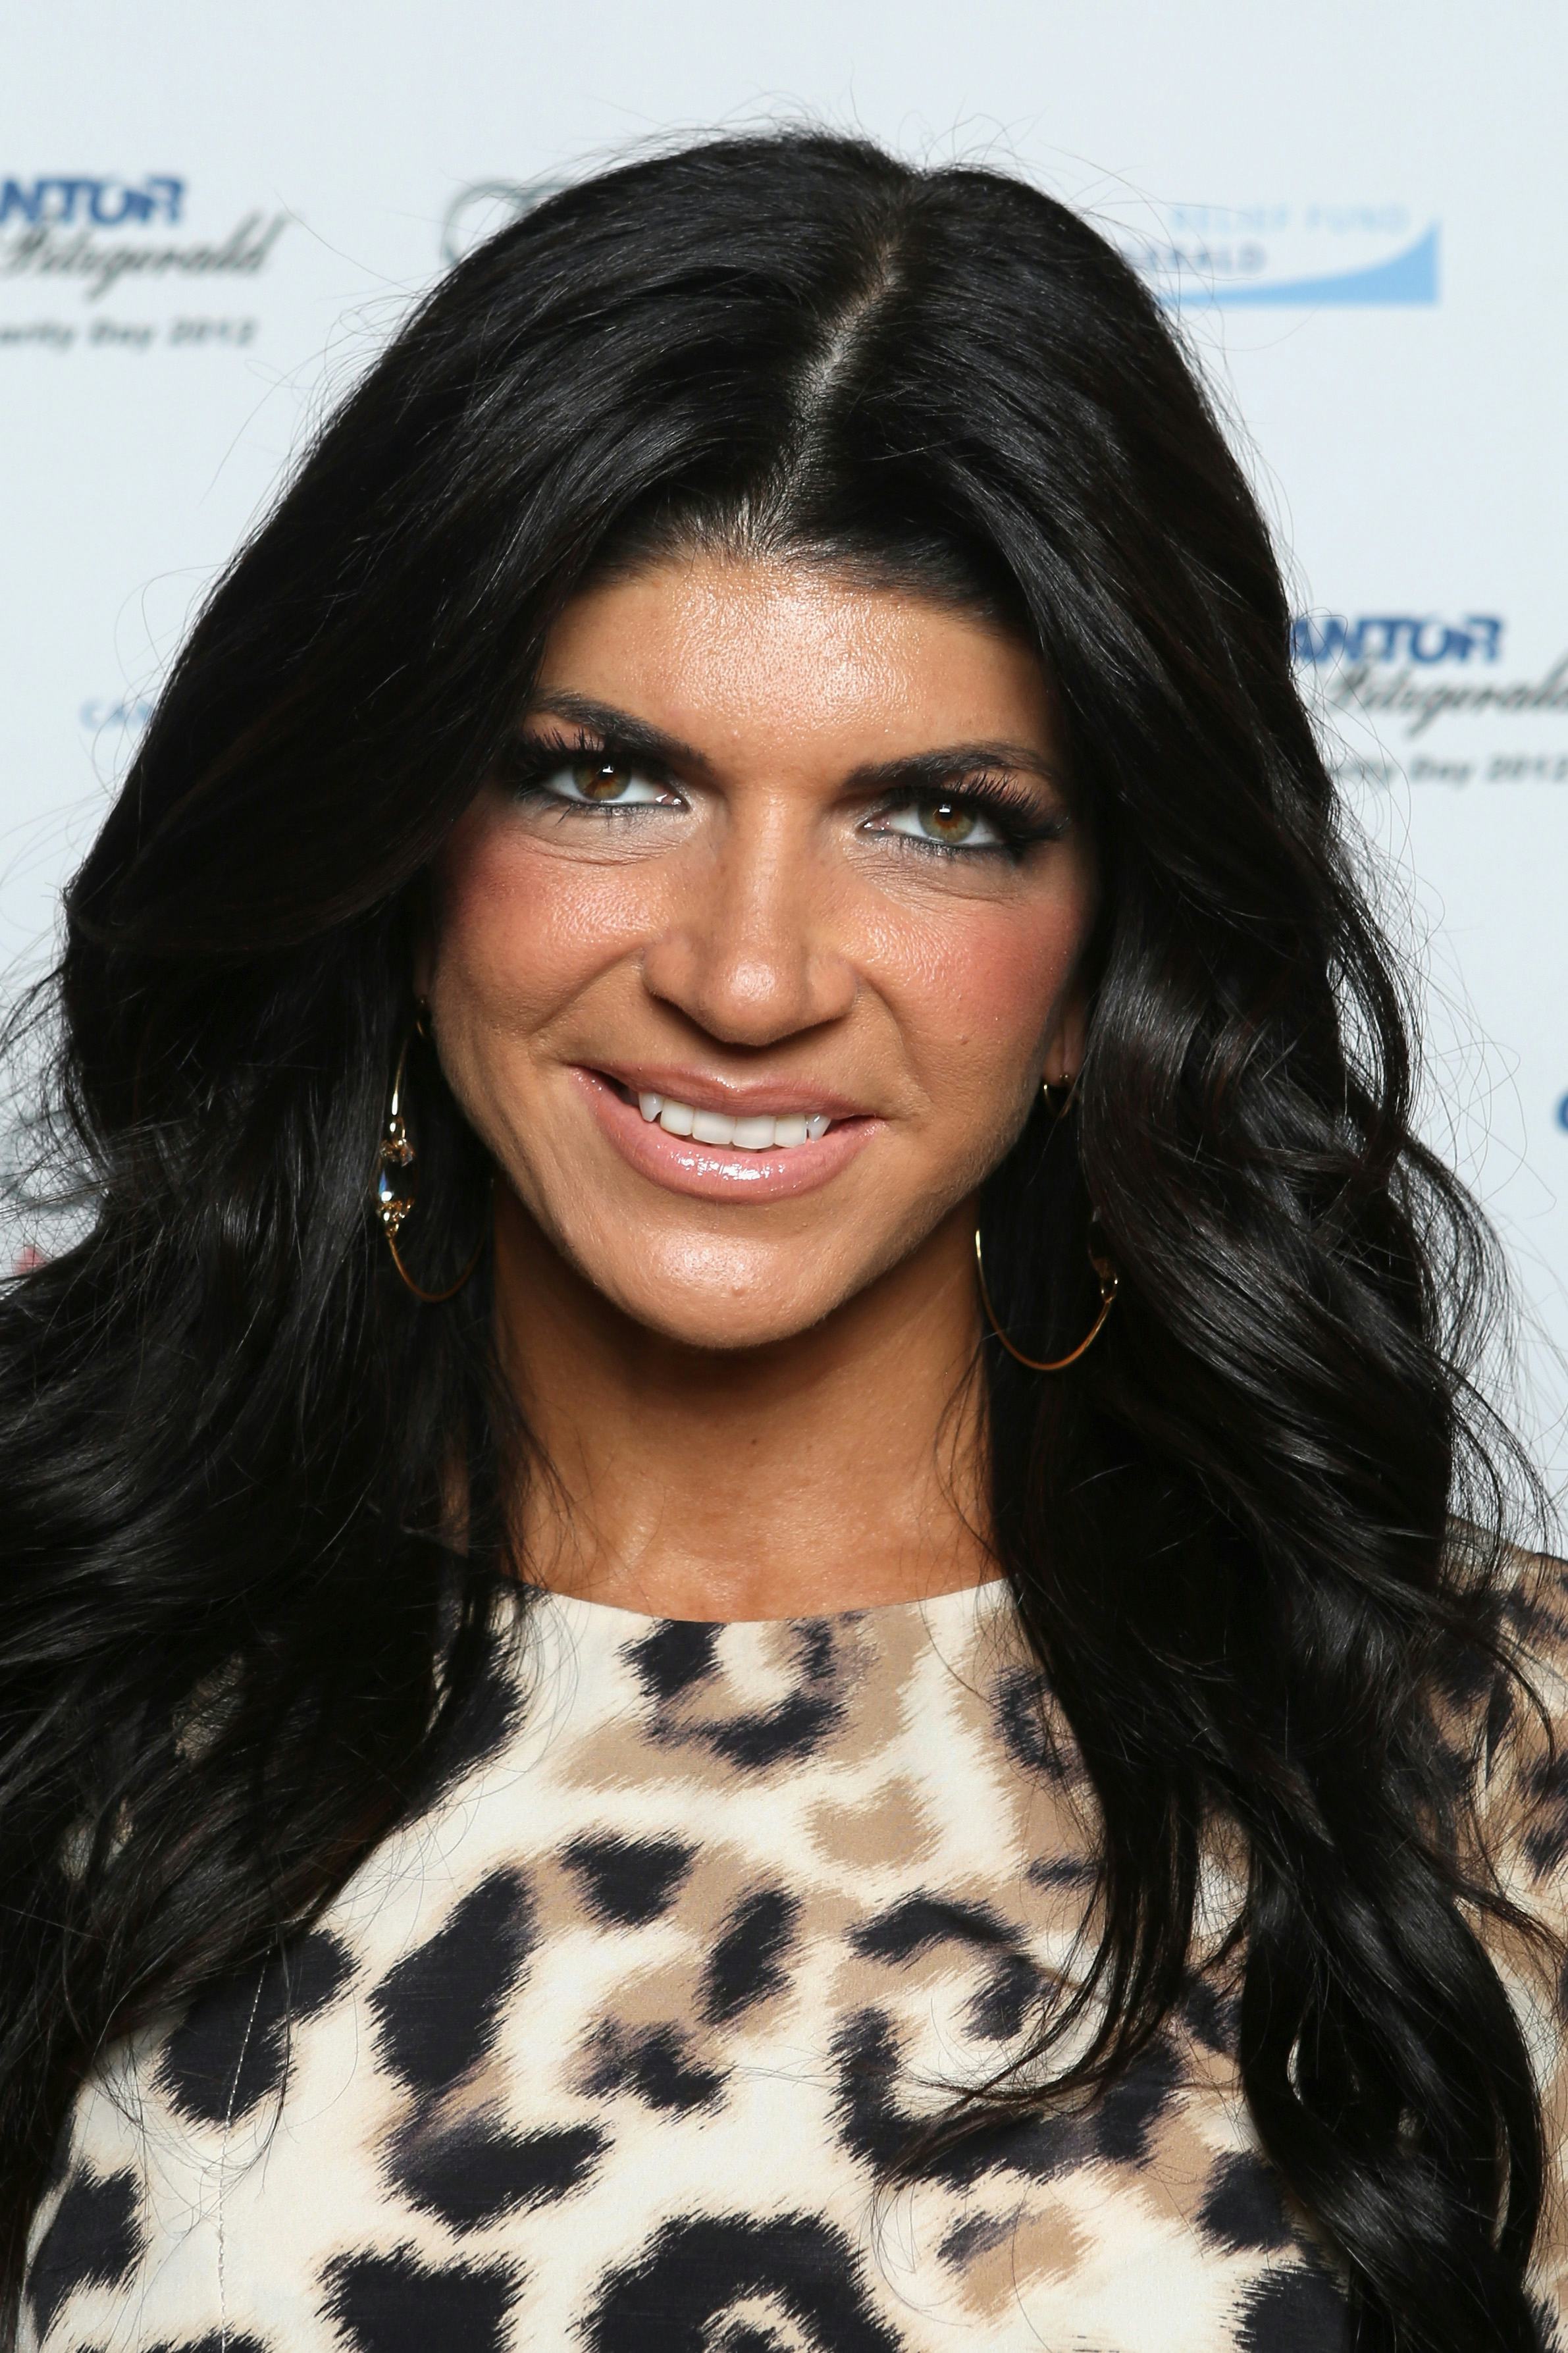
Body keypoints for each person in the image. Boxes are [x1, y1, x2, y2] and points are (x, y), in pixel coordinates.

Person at [1, 129, 1562, 2353]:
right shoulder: (58, 1664)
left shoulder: (1487, 1769)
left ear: (1108, 964)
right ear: (398, 851)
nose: (748, 979)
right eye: (602, 779)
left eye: (940, 819)